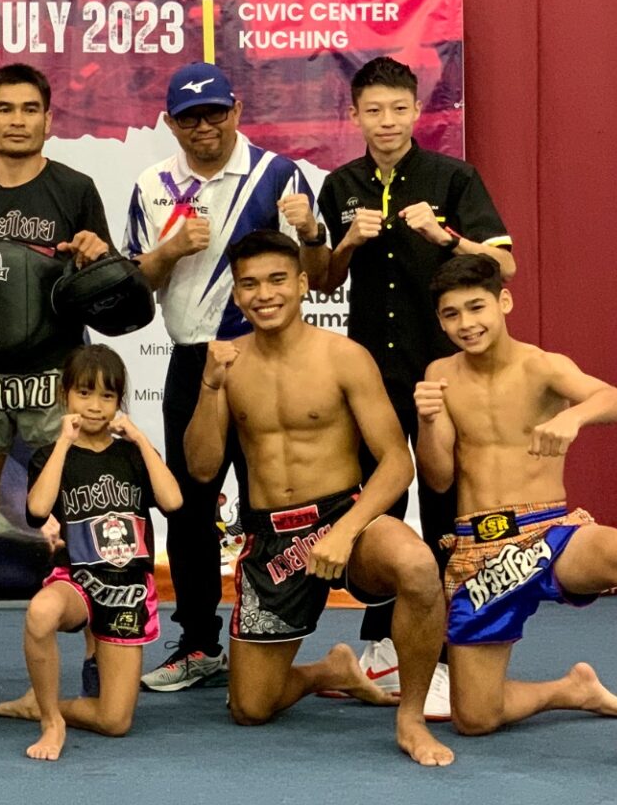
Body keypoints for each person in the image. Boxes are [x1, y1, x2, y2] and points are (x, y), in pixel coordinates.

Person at [415, 254, 617, 777]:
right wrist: (428, 422)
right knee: (474, 718)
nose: (466, 323)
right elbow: (438, 478)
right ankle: (572, 689)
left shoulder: (542, 365)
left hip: (548, 532)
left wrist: (575, 416)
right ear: (440, 321)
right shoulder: (440, 376)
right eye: (451, 314)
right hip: (480, 552)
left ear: (503, 301)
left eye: (476, 307)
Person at [187, 231, 454, 767]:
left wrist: (346, 531)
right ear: (236, 294)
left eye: (277, 280)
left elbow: (396, 463)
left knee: (418, 565)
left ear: (303, 283)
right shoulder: (228, 364)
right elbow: (202, 467)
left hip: (344, 517)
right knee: (250, 707)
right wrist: (210, 387)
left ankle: (411, 719)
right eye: (250, 284)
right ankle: (331, 671)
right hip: (272, 538)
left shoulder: (344, 357)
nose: (265, 294)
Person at [308, 55, 514, 713]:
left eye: (399, 108)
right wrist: (345, 242)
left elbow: (504, 264)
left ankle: (448, 651)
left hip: (444, 372)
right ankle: (382, 641)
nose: (387, 121)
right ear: (354, 115)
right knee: (378, 505)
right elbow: (322, 279)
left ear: (417, 110)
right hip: (372, 373)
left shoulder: (453, 177)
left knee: (449, 506)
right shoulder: (341, 185)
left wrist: (445, 236)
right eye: (374, 110)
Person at [123, 61, 323, 692]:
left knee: (272, 500)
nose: (203, 126)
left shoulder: (277, 174)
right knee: (188, 507)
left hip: (265, 359)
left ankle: (271, 630)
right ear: (170, 123)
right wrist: (169, 250)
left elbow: (314, 271)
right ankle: (199, 644)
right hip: (192, 360)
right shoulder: (151, 184)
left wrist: (312, 228)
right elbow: (135, 286)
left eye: (214, 112)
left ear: (236, 110)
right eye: (190, 118)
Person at [0, 62, 110, 699]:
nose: (16, 120)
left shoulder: (76, 189)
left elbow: (107, 296)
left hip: (55, 378)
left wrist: (97, 260)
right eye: (4, 109)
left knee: (84, 507)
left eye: (29, 109)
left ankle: (100, 649)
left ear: (48, 118)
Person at [0, 344, 183, 759]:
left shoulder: (132, 455)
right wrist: (63, 443)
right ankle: (51, 722)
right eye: (84, 393)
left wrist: (141, 438)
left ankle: (42, 704)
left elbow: (173, 501)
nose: (95, 406)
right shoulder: (50, 455)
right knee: (41, 612)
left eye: (107, 396)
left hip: (126, 590)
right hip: (76, 580)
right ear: (66, 396)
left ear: (119, 402)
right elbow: (37, 511)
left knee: (115, 721)